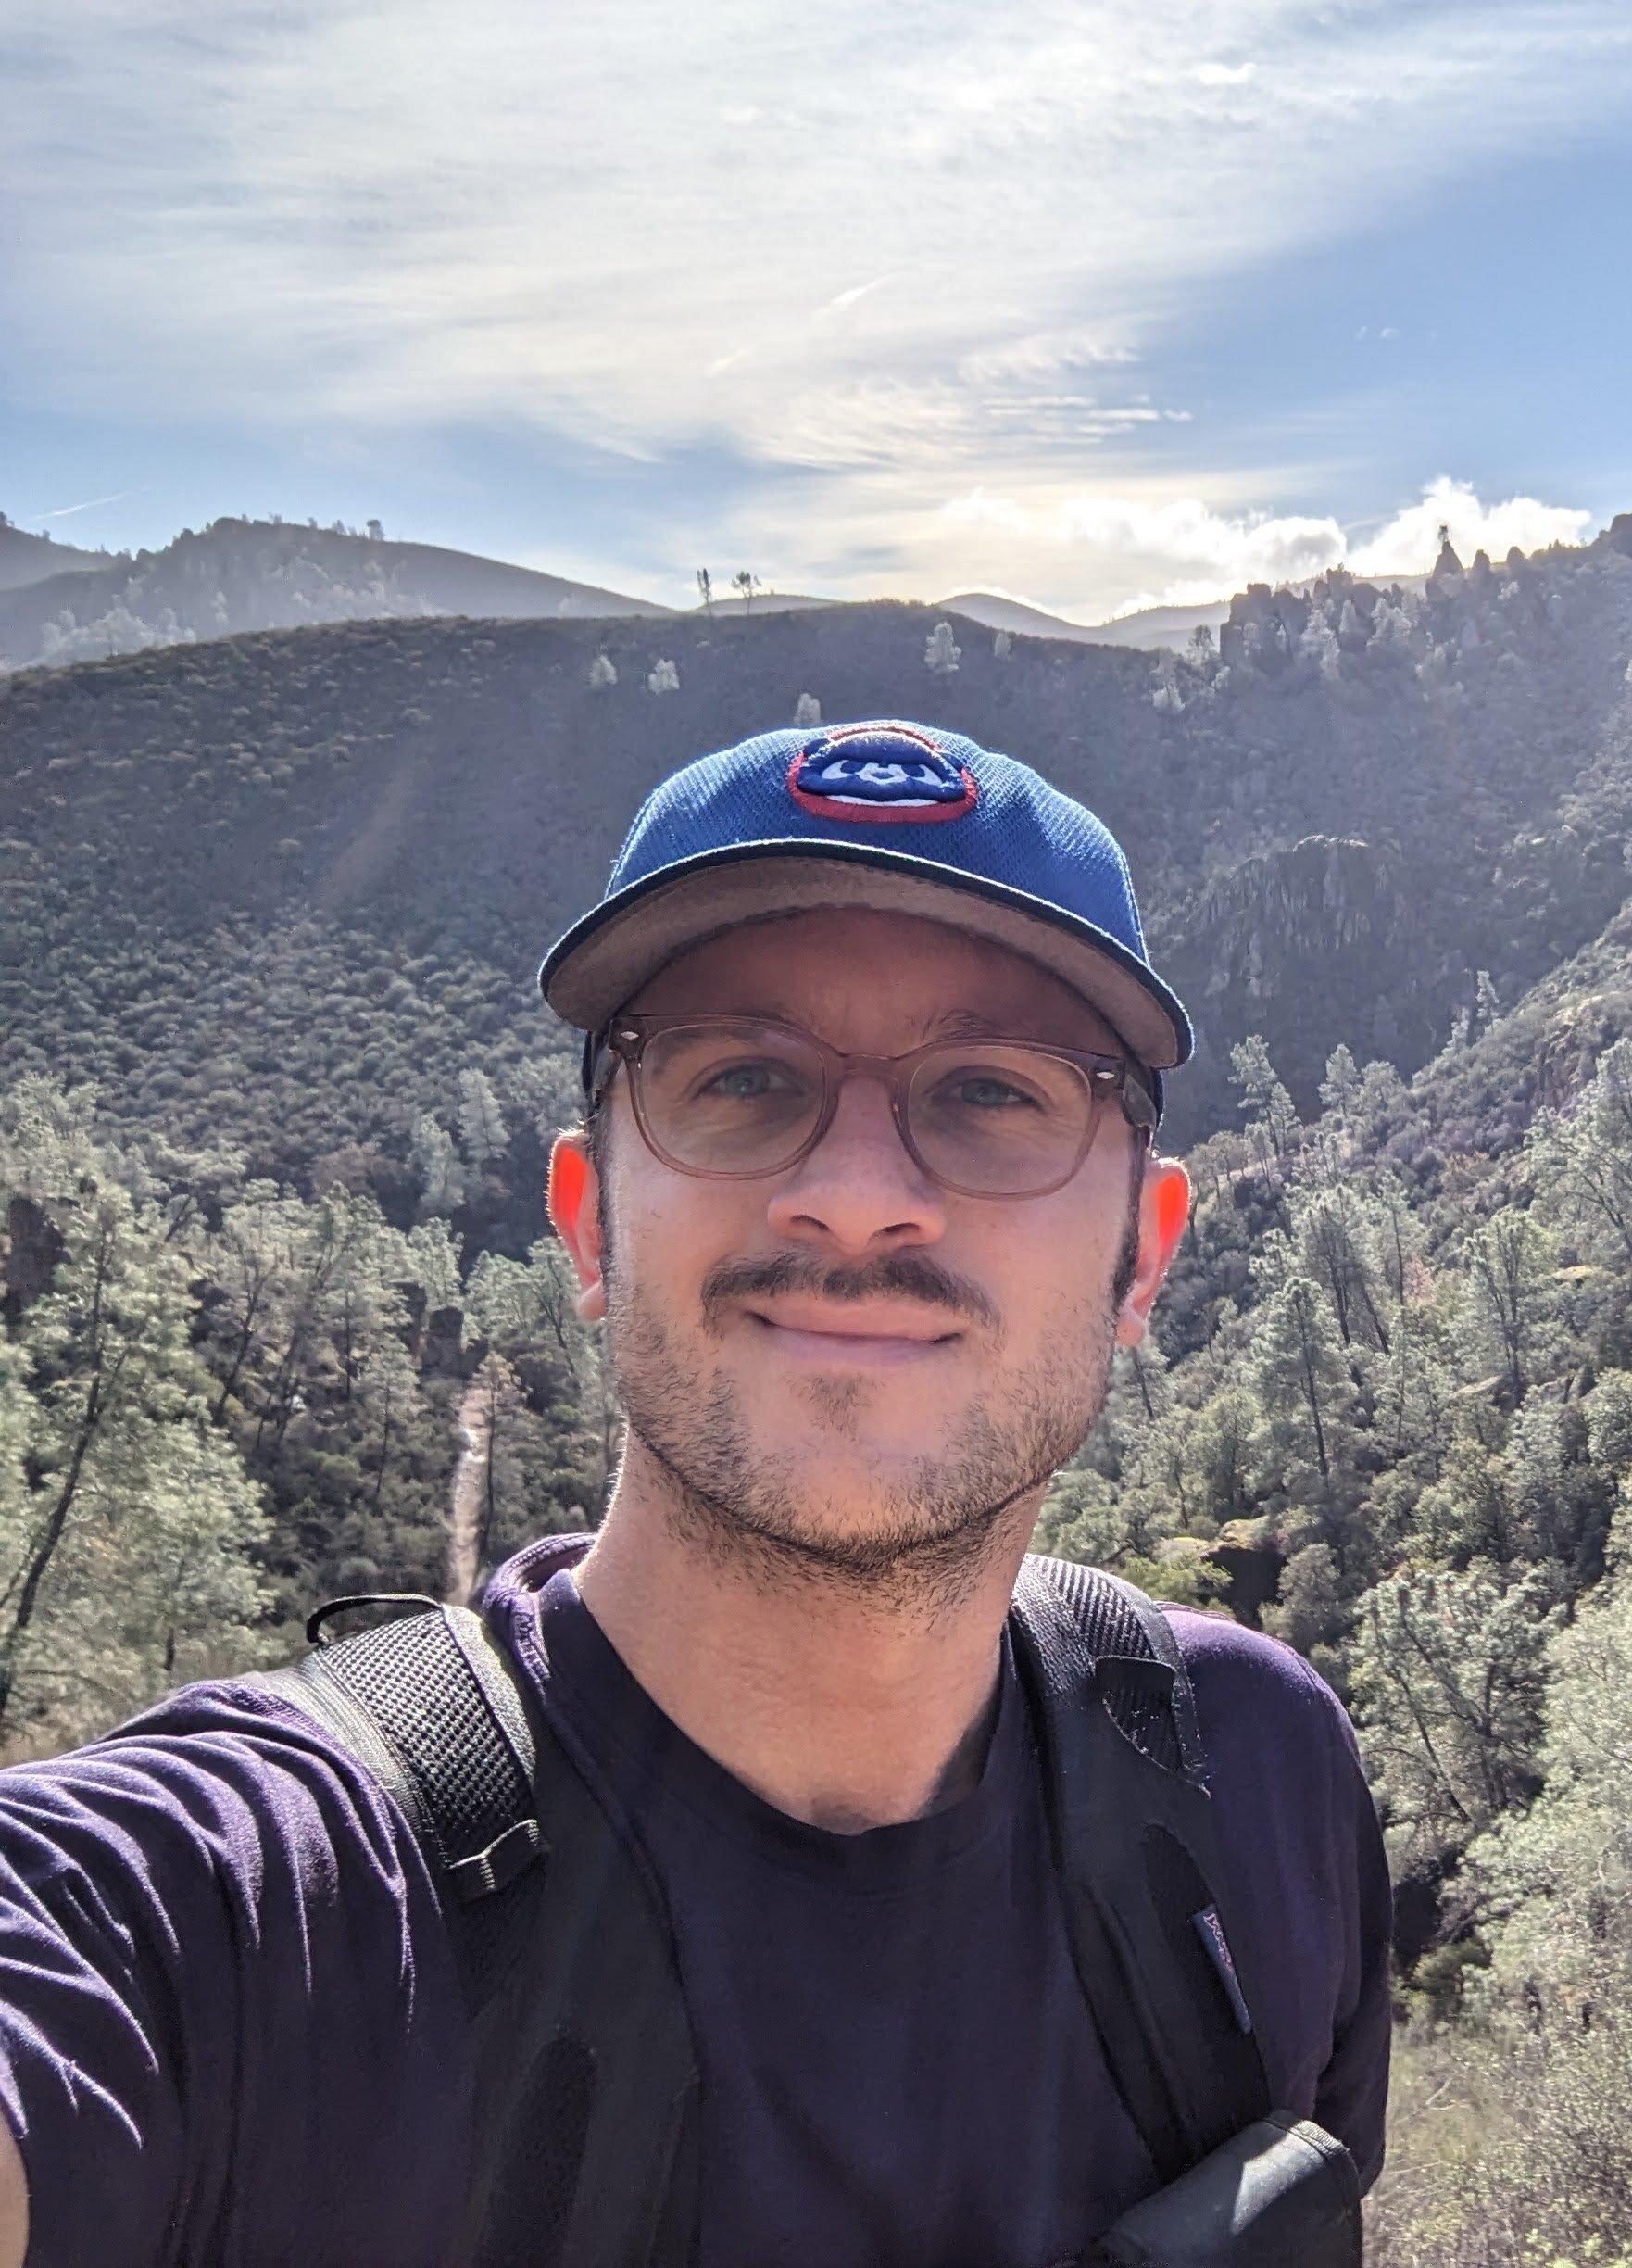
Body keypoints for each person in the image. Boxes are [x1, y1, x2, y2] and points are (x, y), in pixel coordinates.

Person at [0, 720, 1392, 2265]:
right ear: (588, 1229)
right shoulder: (256, 1919)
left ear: (1146, 1255)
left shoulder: (1259, 1782)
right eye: (741, 1076)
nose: (859, 1192)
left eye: (995, 1092)